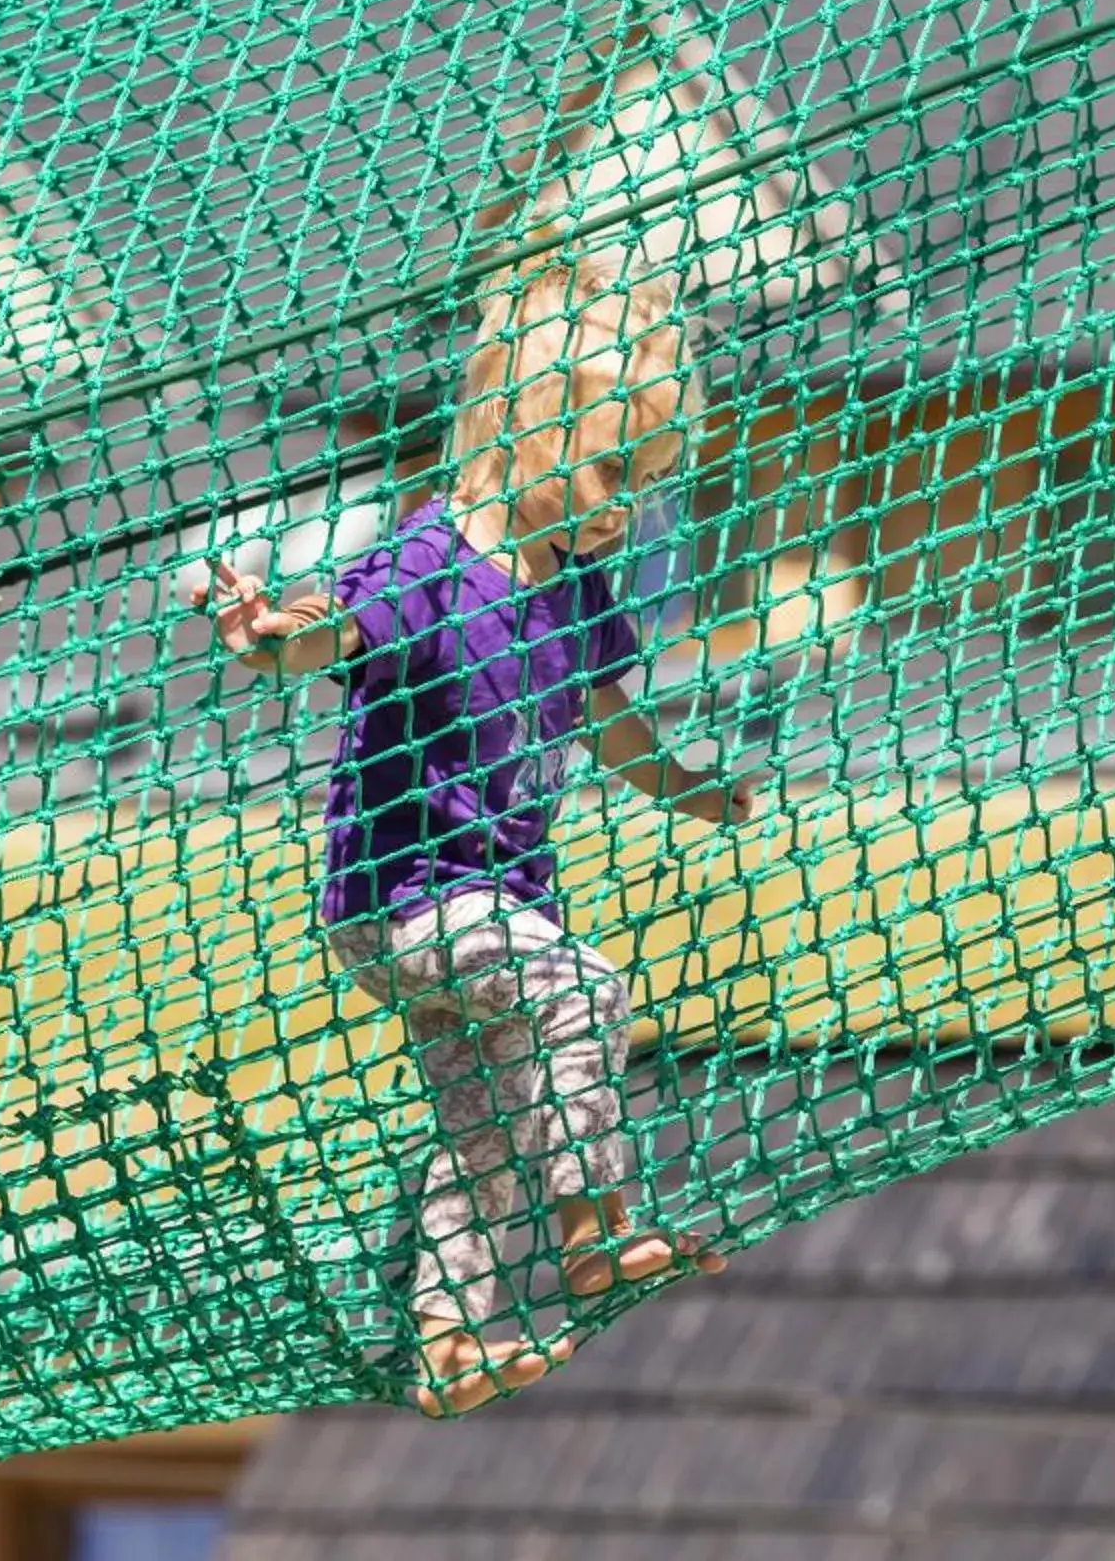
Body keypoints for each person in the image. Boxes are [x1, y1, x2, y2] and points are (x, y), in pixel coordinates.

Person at [191, 249, 751, 1415]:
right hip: (402, 897)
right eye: (610, 467)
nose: (627, 503)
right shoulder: (428, 564)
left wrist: (688, 785)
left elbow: (608, 721)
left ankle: (450, 1340)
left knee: (486, 1126)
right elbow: (320, 634)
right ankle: (594, 1223)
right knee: (582, 991)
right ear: (527, 428)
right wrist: (256, 630)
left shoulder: (578, 587)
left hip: (491, 905)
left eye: (642, 477)